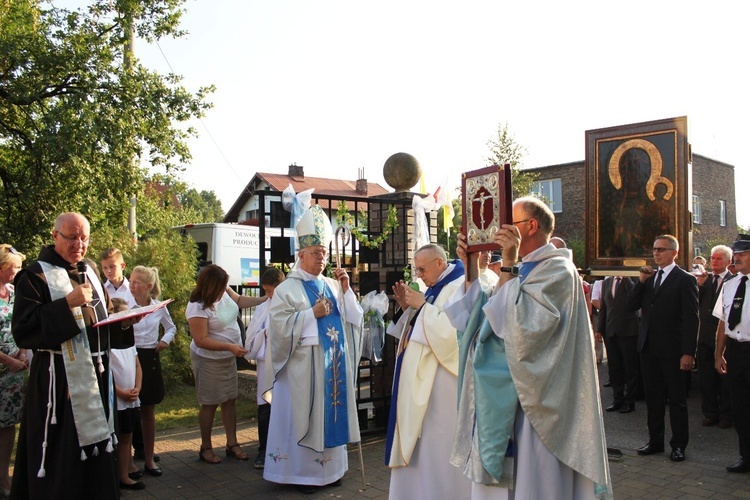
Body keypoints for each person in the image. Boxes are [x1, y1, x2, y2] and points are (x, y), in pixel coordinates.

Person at [444, 196, 612, 499]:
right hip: (505, 396)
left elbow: (522, 329)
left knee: (534, 485)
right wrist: (471, 266)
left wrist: (507, 264)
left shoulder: (558, 270)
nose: (500, 230)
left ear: (531, 226)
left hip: (538, 404)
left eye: (511, 223)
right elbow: (475, 320)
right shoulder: (523, 269)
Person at [11, 212, 140, 499]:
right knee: (63, 455)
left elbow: (100, 318)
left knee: (96, 452)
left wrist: (123, 322)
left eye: (84, 238)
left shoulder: (90, 270)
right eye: (72, 237)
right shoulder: (35, 276)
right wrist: (67, 304)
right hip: (58, 385)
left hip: (96, 377)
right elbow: (24, 330)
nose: (78, 244)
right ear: (56, 235)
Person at [262, 205, 363, 495]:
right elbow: (279, 328)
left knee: (330, 414)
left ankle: (331, 471)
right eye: (317, 253)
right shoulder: (287, 289)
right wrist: (310, 314)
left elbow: (354, 320)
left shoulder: (332, 284)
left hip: (331, 367)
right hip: (301, 371)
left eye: (324, 252)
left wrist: (346, 290)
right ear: (301, 256)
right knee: (302, 418)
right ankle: (301, 475)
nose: (322, 258)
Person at [385, 244, 470, 500]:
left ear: (439, 264)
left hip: (441, 386)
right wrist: (408, 307)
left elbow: (453, 333)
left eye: (422, 269)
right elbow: (422, 324)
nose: (419, 274)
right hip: (425, 385)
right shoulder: (437, 287)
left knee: (437, 443)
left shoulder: (459, 286)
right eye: (416, 268)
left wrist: (422, 306)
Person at [627, 234, 699, 463]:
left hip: (674, 350)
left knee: (676, 400)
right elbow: (631, 305)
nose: (656, 253)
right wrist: (640, 282)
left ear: (674, 253)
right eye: (655, 249)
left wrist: (688, 352)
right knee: (653, 399)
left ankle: (678, 445)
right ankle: (655, 441)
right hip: (649, 348)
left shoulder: (684, 279)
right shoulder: (650, 278)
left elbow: (691, 319)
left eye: (661, 249)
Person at [186, 264, 266, 465]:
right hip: (208, 361)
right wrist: (230, 347)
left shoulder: (224, 290)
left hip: (227, 358)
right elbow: (201, 340)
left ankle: (232, 443)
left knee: (230, 399)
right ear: (211, 286)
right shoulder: (197, 306)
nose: (225, 290)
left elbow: (239, 300)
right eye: (221, 287)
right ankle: (206, 447)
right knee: (210, 403)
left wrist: (265, 299)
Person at [129, 265, 176, 476]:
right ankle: (127, 462)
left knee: (148, 410)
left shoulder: (158, 307)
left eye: (136, 283)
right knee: (128, 412)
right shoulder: (125, 304)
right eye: (130, 281)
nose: (132, 286)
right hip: (129, 357)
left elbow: (171, 327)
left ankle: (149, 459)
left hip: (150, 357)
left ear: (148, 286)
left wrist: (165, 340)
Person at [714, 237, 750, 473]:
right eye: (735, 254)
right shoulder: (730, 285)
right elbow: (723, 321)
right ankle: (746, 456)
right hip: (737, 351)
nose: (737, 257)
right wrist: (719, 354)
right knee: (740, 406)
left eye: (743, 253)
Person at [244, 267, 285, 469]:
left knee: (284, 405)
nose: (268, 296)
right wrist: (265, 334)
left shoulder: (290, 304)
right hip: (265, 361)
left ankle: (284, 448)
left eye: (271, 291)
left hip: (285, 362)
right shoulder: (263, 308)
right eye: (266, 291)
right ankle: (263, 449)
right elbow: (253, 334)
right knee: (265, 405)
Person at [696, 245, 734, 428]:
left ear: (728, 261)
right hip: (704, 338)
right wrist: (700, 286)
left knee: (725, 381)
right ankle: (710, 412)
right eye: (712, 258)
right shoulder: (705, 280)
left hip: (724, 340)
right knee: (706, 378)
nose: (714, 261)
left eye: (719, 258)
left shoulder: (734, 281)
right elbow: (695, 304)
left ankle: (726, 414)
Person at [0, 245, 27, 497]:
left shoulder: (13, 293)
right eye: (15, 267)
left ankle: (4, 478)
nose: (19, 271)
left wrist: (22, 353)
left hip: (13, 374)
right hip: (3, 368)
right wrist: (8, 360)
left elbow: (21, 325)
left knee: (8, 425)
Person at [109, 296, 145, 490]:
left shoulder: (129, 339)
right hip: (119, 399)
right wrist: (120, 392)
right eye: (124, 314)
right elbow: (105, 374)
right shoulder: (108, 342)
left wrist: (137, 388)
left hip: (132, 397)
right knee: (121, 437)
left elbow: (137, 365)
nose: (130, 318)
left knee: (128, 435)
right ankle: (122, 476)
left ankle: (126, 469)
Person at [595, 275, 640, 413]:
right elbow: (604, 308)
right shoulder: (607, 282)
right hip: (611, 331)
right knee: (614, 368)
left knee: (630, 368)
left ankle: (630, 401)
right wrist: (599, 329)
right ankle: (617, 399)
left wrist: (626, 279)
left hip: (629, 331)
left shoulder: (633, 280)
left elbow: (634, 299)